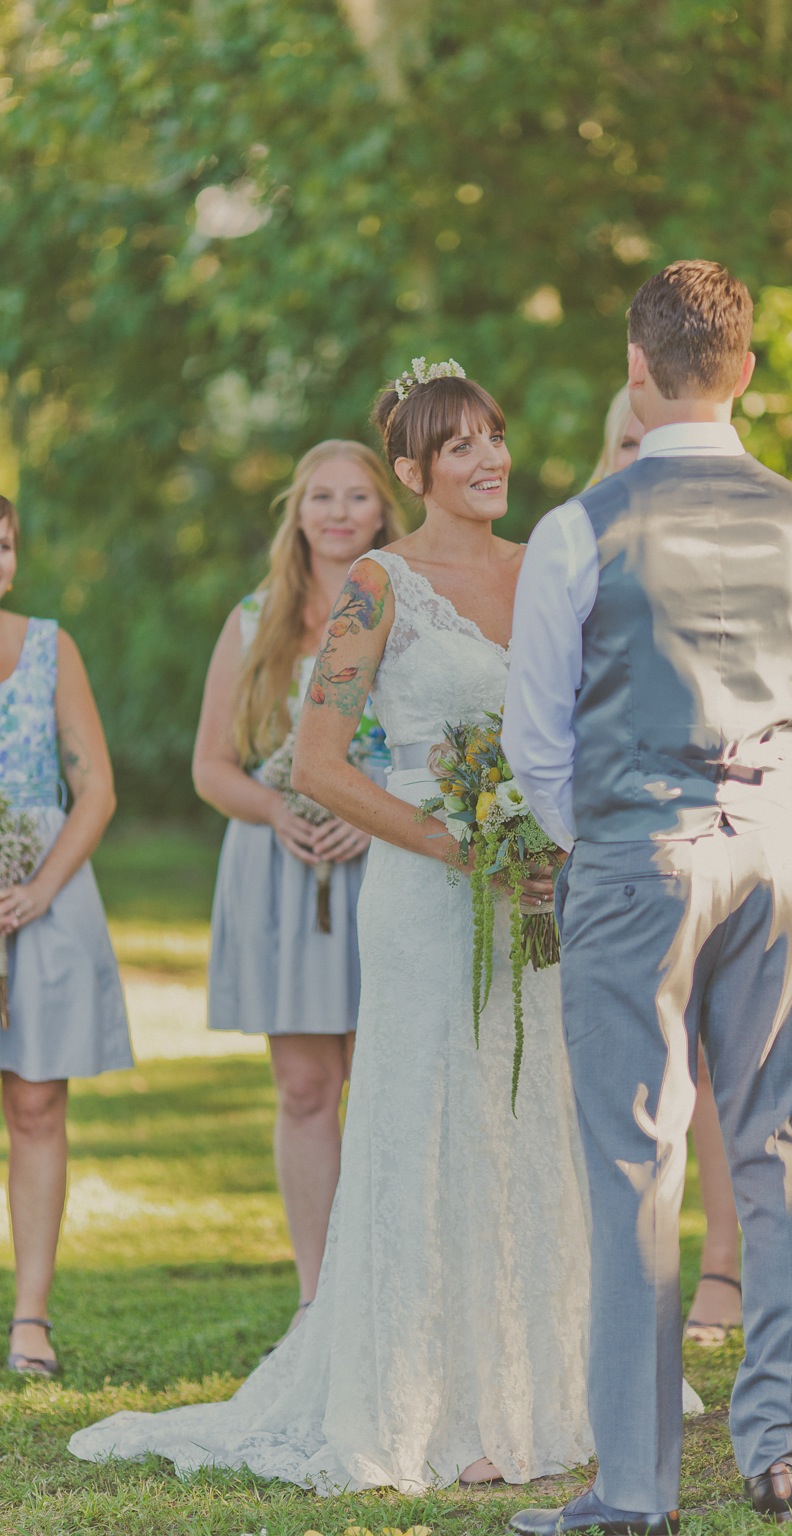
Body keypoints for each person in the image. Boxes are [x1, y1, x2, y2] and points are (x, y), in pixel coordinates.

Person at [71, 365, 631, 1489]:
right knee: (428, 1112)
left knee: (528, 1109)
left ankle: (546, 1382)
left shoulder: (553, 569)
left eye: (495, 438)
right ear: (413, 474)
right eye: (458, 447)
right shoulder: (379, 586)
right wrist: (456, 845)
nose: (487, 460)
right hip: (427, 895)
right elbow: (321, 762)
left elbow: (590, 728)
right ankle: (434, 1397)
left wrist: (552, 848)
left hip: (534, 890)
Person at [503, 260, 792, 1531]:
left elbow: (535, 739)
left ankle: (638, 1490)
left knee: (632, 1167)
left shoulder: (573, 529)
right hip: (776, 856)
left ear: (637, 373)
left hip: (632, 863)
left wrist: (610, 835)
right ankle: (775, 1447)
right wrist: (764, 808)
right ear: (746, 372)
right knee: (777, 1153)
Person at [192, 441, 404, 1338]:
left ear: (384, 510)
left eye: (357, 496)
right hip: (284, 872)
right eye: (321, 496)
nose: (338, 511)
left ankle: (391, 1283)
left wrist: (375, 813)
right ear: (298, 510)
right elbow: (211, 768)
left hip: (390, 861)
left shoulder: (407, 606)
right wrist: (278, 812)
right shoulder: (253, 620)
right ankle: (318, 1299)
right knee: (307, 1084)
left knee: (390, 1075)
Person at [592, 386, 743, 1348]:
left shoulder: (736, 542)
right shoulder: (582, 547)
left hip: (720, 830)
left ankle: (723, 1265)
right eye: (625, 440)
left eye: (653, 437)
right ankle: (626, 1280)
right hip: (608, 841)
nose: (641, 452)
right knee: (629, 1066)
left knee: (712, 1058)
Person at [0, 494, 133, 1379]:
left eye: (3, 544)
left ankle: (31, 1319)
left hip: (38, 902)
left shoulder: (51, 648)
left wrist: (38, 888)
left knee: (37, 1102)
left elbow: (96, 790)